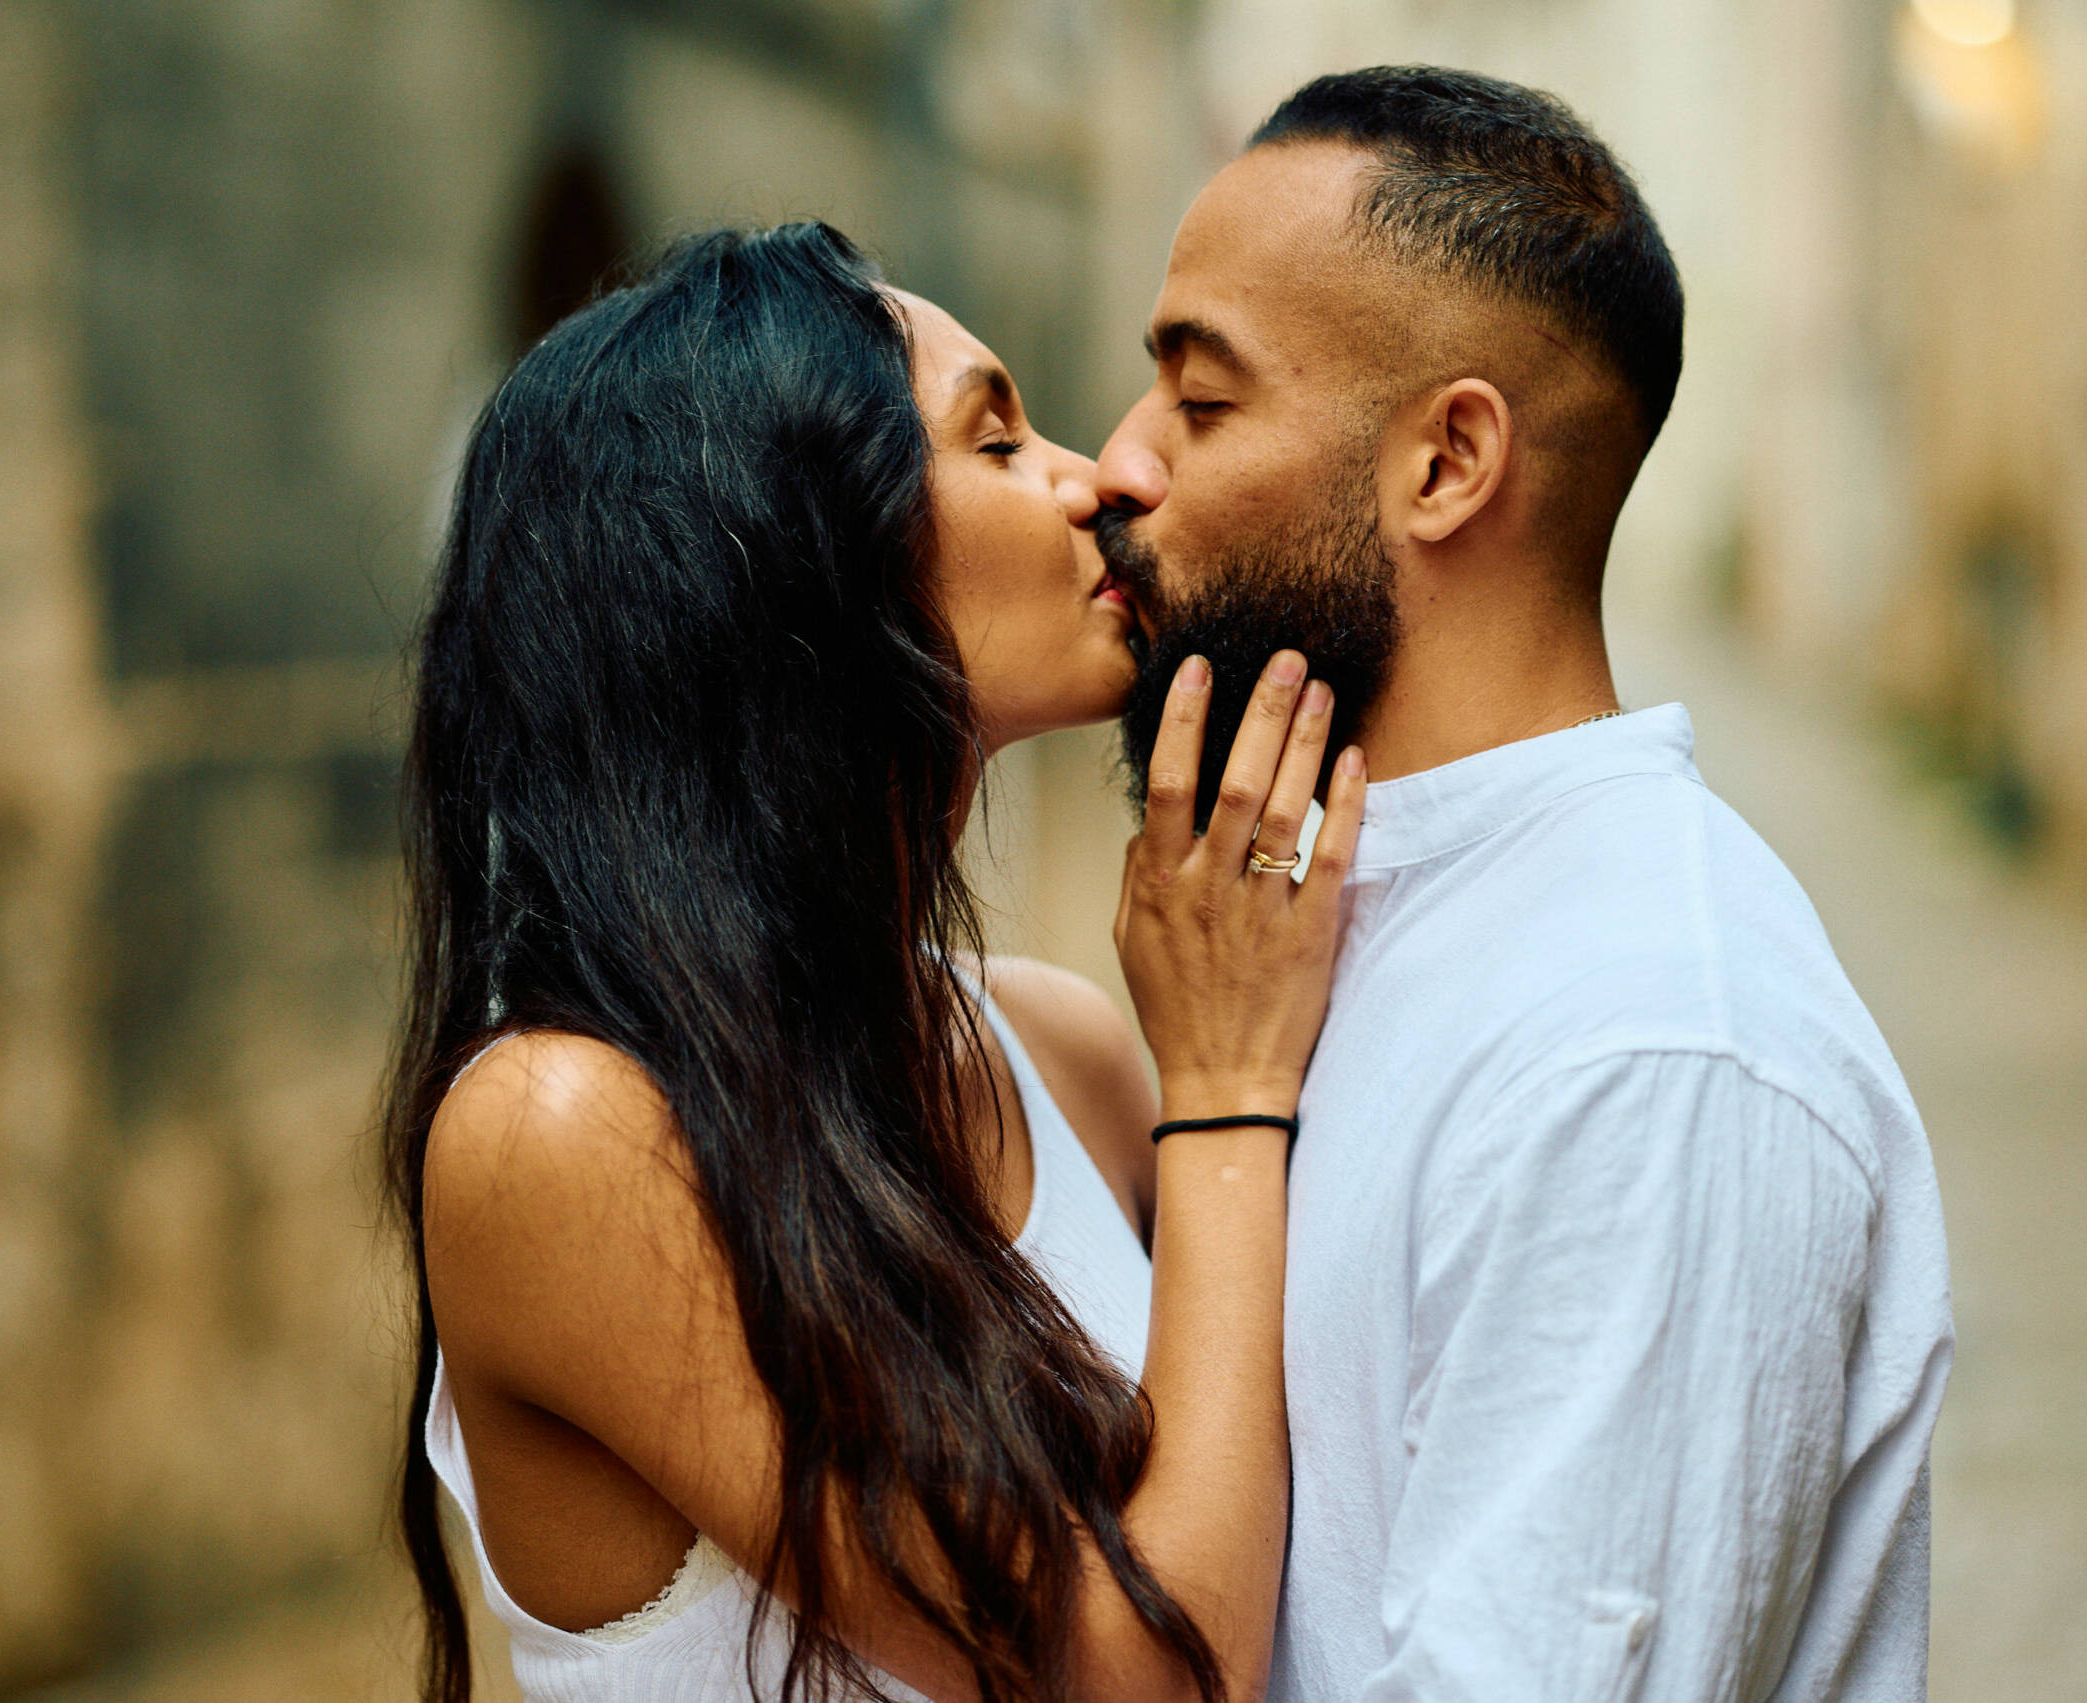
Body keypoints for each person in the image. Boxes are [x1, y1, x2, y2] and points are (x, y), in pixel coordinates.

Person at [379, 222, 1368, 1703]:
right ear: (800, 558)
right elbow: (1134, 1680)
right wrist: (1227, 1087)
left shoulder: (1063, 1053)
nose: (1095, 482)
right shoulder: (561, 1133)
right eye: (997, 438)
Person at [1094, 68, 1955, 1702]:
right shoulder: (1276, 930)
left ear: (1446, 464)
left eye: (1202, 404)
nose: (1118, 466)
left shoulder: (1647, 1043)